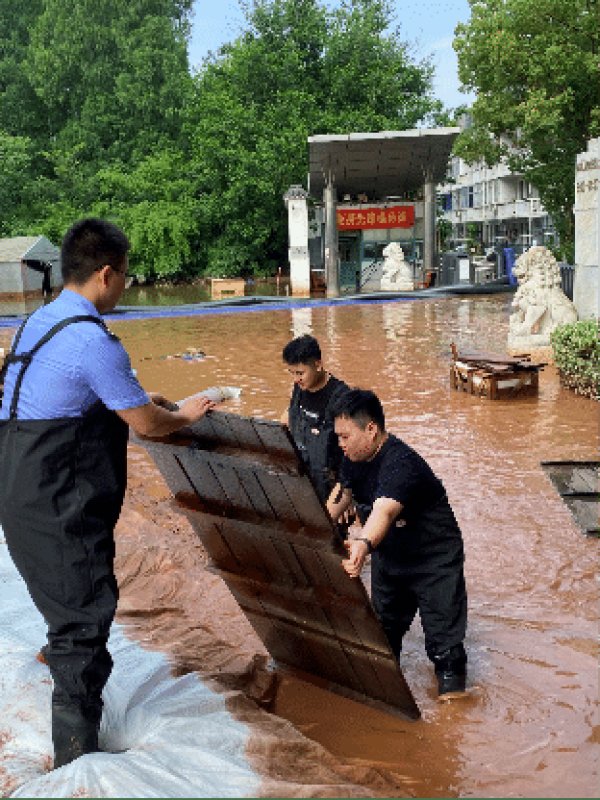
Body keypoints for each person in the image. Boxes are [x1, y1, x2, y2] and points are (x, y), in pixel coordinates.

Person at [0, 218, 216, 768]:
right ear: (105, 274)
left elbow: (61, 396)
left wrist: (141, 399)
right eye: (124, 275)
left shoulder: (35, 325)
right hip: (58, 507)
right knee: (85, 622)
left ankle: (58, 648)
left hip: (17, 494)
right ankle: (76, 763)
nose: (126, 285)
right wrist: (184, 412)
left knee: (64, 601)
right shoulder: (93, 339)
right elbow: (145, 425)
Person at [326, 389, 468, 698]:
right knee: (383, 638)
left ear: (371, 429)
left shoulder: (402, 464)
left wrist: (362, 545)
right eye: (338, 437)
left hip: (434, 561)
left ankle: (453, 713)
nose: (340, 443)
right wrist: (312, 526)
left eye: (345, 436)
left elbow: (384, 510)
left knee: (446, 651)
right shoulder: (353, 457)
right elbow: (342, 497)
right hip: (392, 558)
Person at [281, 334, 349, 502]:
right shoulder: (300, 387)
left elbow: (353, 451)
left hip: (331, 486)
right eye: (292, 373)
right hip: (302, 478)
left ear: (318, 365)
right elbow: (288, 418)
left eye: (300, 373)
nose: (296, 379)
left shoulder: (341, 397)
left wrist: (347, 496)